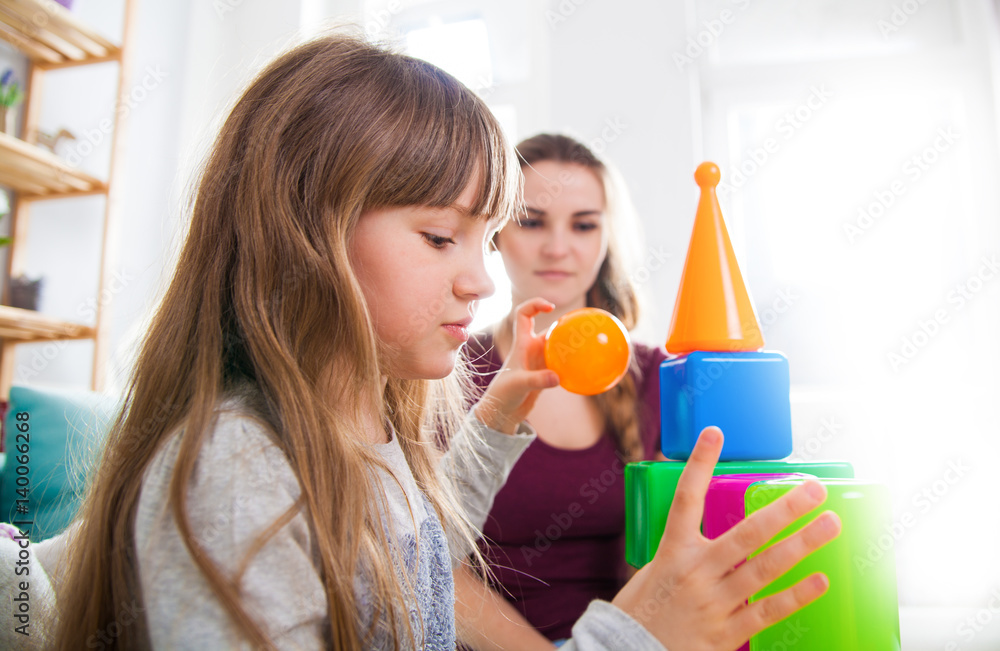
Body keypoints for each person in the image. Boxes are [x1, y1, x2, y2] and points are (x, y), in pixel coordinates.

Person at [10, 33, 839, 651]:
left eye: (482, 240)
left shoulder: (365, 430)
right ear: (305, 234)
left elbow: (417, 559)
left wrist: (496, 422)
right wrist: (628, 637)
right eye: (442, 237)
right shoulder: (237, 472)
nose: (480, 282)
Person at [457, 134, 664, 647]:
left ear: (605, 238)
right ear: (496, 234)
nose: (558, 247)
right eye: (532, 222)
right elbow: (427, 562)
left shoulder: (660, 376)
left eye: (584, 225)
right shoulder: (447, 373)